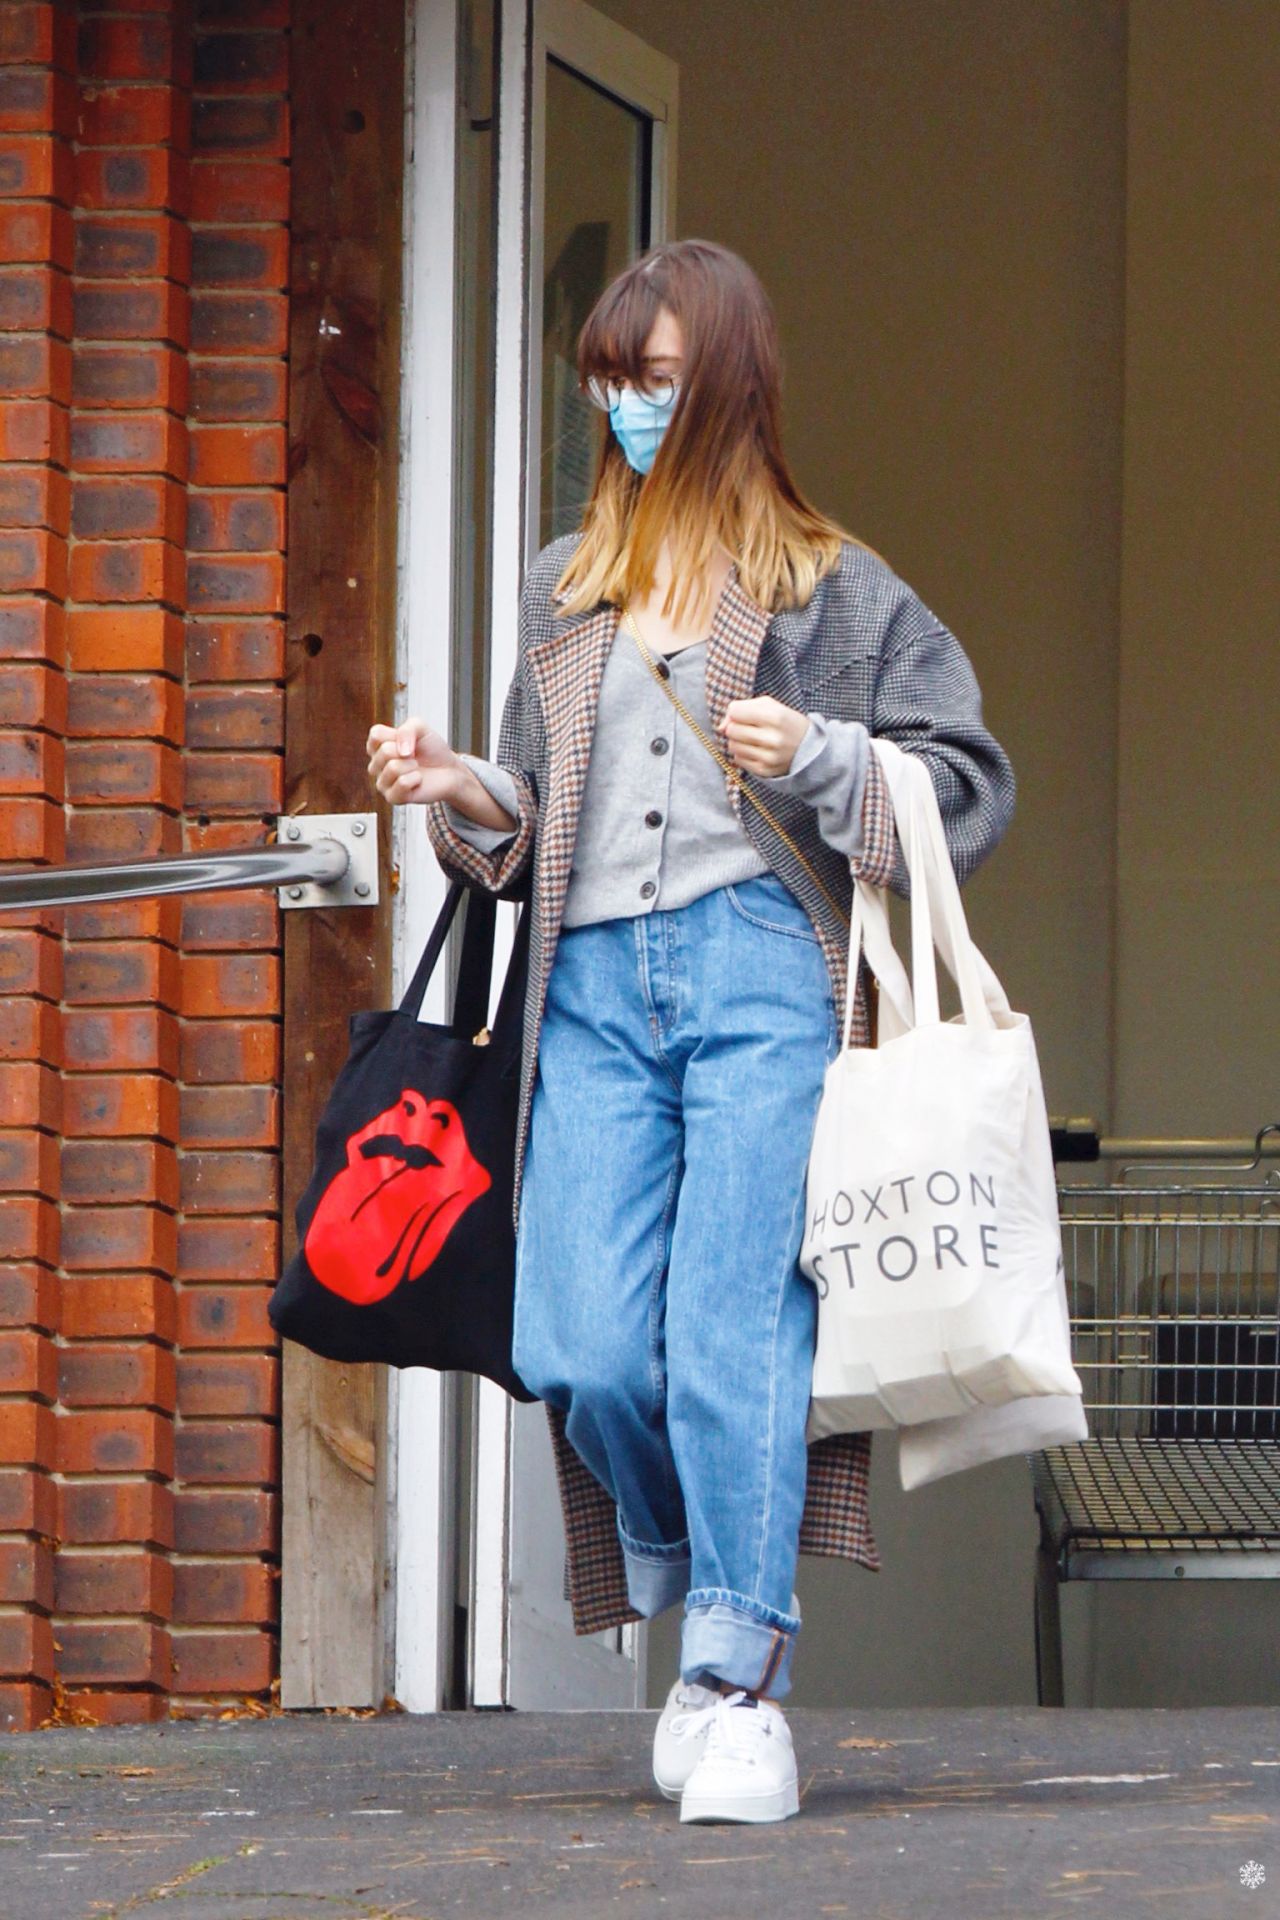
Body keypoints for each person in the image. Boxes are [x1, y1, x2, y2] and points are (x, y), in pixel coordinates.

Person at [367, 238, 1015, 1824]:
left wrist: (822, 753)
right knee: (574, 1341)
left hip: (759, 976)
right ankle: (686, 1561)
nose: (628, 406)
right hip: (588, 982)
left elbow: (970, 783)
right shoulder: (562, 582)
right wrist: (465, 795)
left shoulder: (828, 584)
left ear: (725, 380)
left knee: (734, 1332)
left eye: (654, 379)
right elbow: (541, 811)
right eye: (611, 379)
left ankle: (737, 1676)